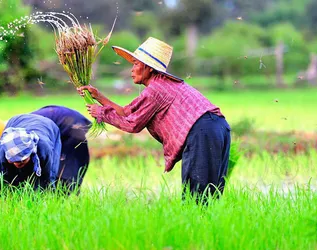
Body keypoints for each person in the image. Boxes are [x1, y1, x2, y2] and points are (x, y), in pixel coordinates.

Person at [78, 37, 231, 203]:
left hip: (203, 131)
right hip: (218, 127)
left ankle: (198, 226)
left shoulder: (156, 89)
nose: (132, 69)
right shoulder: (161, 84)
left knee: (197, 195)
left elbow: (132, 124)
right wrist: (98, 96)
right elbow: (126, 112)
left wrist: (101, 113)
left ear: (148, 68)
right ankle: (204, 225)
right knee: (210, 192)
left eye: (136, 64)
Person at [0, 106, 91, 196]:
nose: (18, 163)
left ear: (32, 152)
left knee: (65, 174)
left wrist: (35, 200)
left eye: (23, 159)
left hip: (69, 125)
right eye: (13, 160)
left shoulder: (43, 148)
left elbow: (47, 180)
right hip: (43, 126)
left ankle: (65, 200)